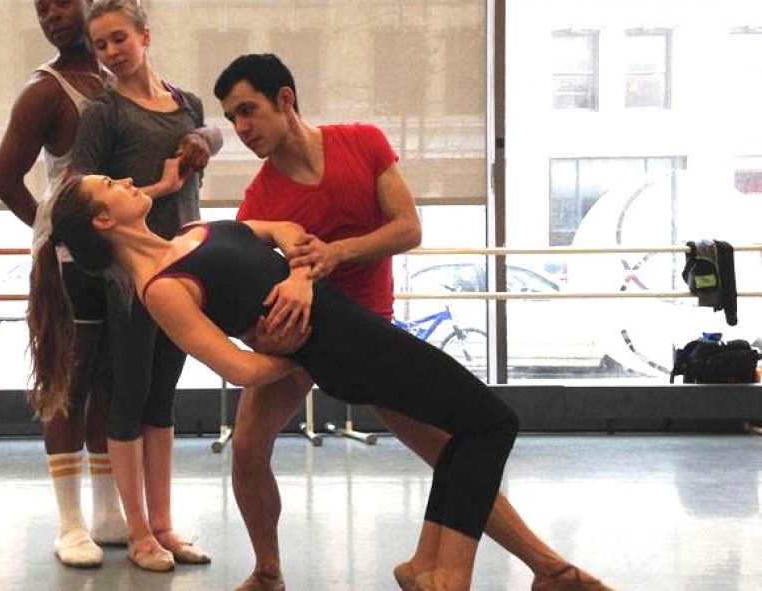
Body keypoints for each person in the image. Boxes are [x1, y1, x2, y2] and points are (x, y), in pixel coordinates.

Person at [212, 53, 618, 591]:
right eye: (232, 118)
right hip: (307, 337)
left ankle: (546, 568)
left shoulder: (363, 143)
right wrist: (264, 336)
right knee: (246, 447)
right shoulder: (260, 201)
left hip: (369, 335)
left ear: (285, 99)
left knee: (453, 447)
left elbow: (408, 228)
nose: (241, 128)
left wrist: (335, 254)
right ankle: (268, 572)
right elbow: (252, 287)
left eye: (248, 110)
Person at [33, 172, 521, 591]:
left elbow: (281, 229)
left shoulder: (191, 230)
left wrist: (298, 274)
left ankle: (426, 565)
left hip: (349, 326)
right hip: (343, 349)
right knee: (493, 424)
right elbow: (238, 368)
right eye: (110, 184)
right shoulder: (161, 289)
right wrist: (295, 354)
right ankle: (447, 578)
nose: (126, 181)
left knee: (469, 432)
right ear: (103, 220)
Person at [67, 0, 222, 573]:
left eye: (119, 39)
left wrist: (208, 137)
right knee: (129, 397)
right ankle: (137, 532)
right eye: (100, 44)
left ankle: (163, 524)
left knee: (163, 398)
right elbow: (82, 197)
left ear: (145, 37)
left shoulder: (188, 104)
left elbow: (207, 144)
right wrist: (157, 190)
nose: (111, 52)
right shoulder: (102, 112)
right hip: (131, 275)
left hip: (182, 265)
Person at [0, 0, 123, 568]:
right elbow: (5, 179)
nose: (51, 17)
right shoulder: (44, 91)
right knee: (67, 383)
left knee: (110, 383)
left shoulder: (120, 77)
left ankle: (108, 512)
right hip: (68, 263)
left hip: (122, 258)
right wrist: (55, 234)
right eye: (41, 10)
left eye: (61, 3)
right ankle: (70, 524)